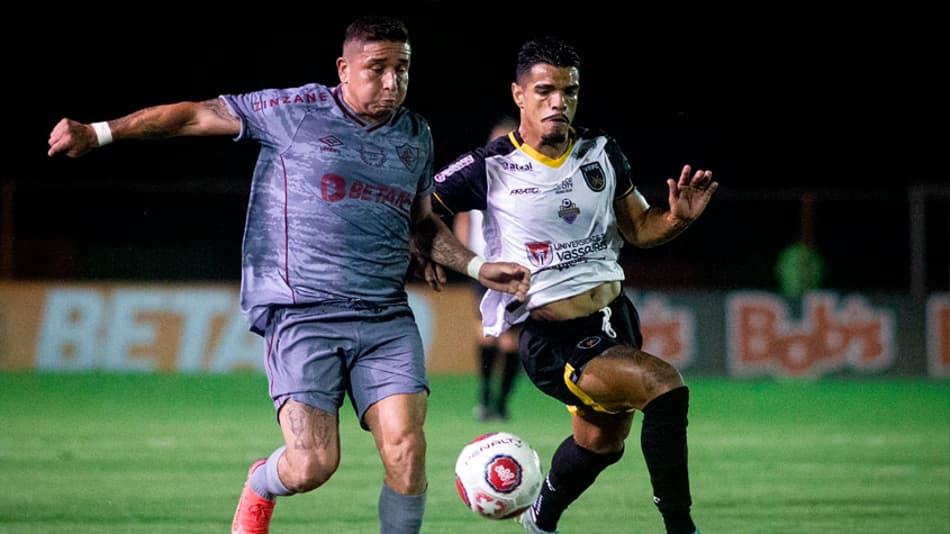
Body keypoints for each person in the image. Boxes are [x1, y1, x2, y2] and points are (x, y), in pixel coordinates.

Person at [47, 16, 530, 534]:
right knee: (312, 466)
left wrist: (478, 266)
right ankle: (261, 484)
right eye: (378, 69)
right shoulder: (295, 111)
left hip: (385, 314)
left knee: (406, 449)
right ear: (344, 69)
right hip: (303, 313)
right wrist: (98, 133)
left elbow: (421, 226)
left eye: (403, 69)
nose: (392, 82)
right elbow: (193, 117)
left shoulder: (415, 134)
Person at [432, 36, 717, 534]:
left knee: (601, 444)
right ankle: (681, 528)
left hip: (615, 319)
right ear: (519, 95)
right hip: (555, 339)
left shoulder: (601, 150)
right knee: (665, 387)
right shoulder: (489, 165)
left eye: (569, 91)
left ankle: (540, 519)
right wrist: (472, 266)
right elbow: (418, 216)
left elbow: (639, 227)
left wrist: (675, 221)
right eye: (544, 91)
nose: (558, 102)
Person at [453, 115, 523, 422]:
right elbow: (464, 218)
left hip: (520, 270)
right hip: (486, 267)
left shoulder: (528, 175)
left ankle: (502, 402)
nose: (501, 147)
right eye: (497, 140)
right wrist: (468, 260)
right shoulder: (480, 174)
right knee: (486, 334)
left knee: (512, 340)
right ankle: (484, 399)